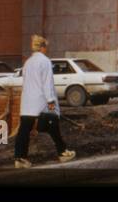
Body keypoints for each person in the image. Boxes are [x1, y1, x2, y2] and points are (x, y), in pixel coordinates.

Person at [14, 34, 76, 168]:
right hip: (41, 101)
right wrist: (51, 102)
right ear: (42, 47)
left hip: (27, 102)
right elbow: (47, 84)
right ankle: (62, 152)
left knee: (24, 130)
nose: (46, 49)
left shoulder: (28, 62)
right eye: (46, 47)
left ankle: (20, 158)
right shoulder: (45, 61)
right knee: (53, 124)